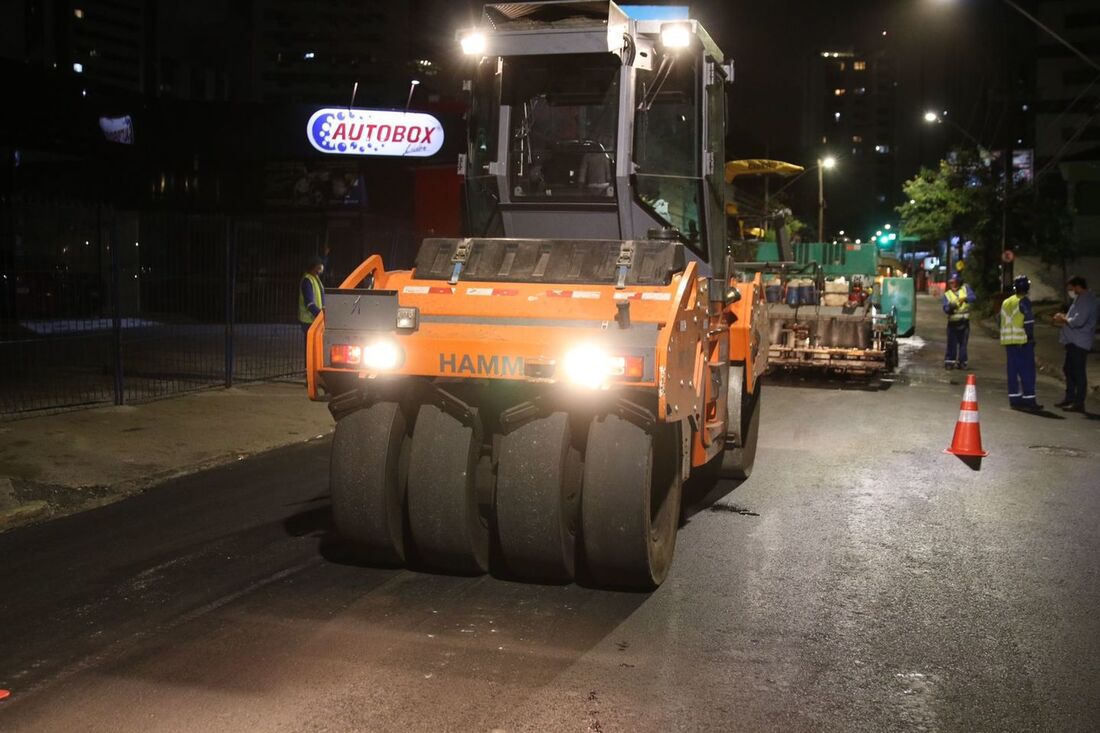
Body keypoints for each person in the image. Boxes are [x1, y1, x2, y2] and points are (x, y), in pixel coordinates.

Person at [1053, 276, 1098, 412]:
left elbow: (1078, 321)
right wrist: (1065, 316)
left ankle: (1078, 402)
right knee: (1069, 369)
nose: (1070, 291)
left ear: (1078, 286)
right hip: (1073, 341)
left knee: (1078, 372)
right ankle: (1070, 398)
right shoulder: (1080, 298)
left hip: (1079, 342)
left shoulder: (1087, 300)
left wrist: (1062, 318)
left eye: (1071, 288)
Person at [1000, 275, 1042, 410]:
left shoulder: (1006, 302)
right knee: (1027, 372)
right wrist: (1031, 338)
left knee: (1012, 372)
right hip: (1023, 342)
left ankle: (1014, 400)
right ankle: (1029, 401)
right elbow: (1028, 322)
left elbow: (999, 321)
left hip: (1009, 343)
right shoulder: (1025, 302)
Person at [941, 273, 976, 369]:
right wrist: (951, 307)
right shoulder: (947, 294)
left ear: (959, 282)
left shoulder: (965, 289)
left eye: (955, 282)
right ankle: (949, 362)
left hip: (964, 323)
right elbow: (945, 309)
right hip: (952, 324)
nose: (953, 284)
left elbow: (973, 297)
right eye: (951, 282)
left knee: (963, 344)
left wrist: (965, 299)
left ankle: (962, 363)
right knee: (951, 344)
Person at [299, 254, 326, 340]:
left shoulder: (315, 278)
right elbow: (309, 304)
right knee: (311, 348)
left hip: (314, 320)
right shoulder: (307, 280)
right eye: (319, 265)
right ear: (314, 267)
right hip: (309, 321)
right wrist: (321, 315)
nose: (321, 268)